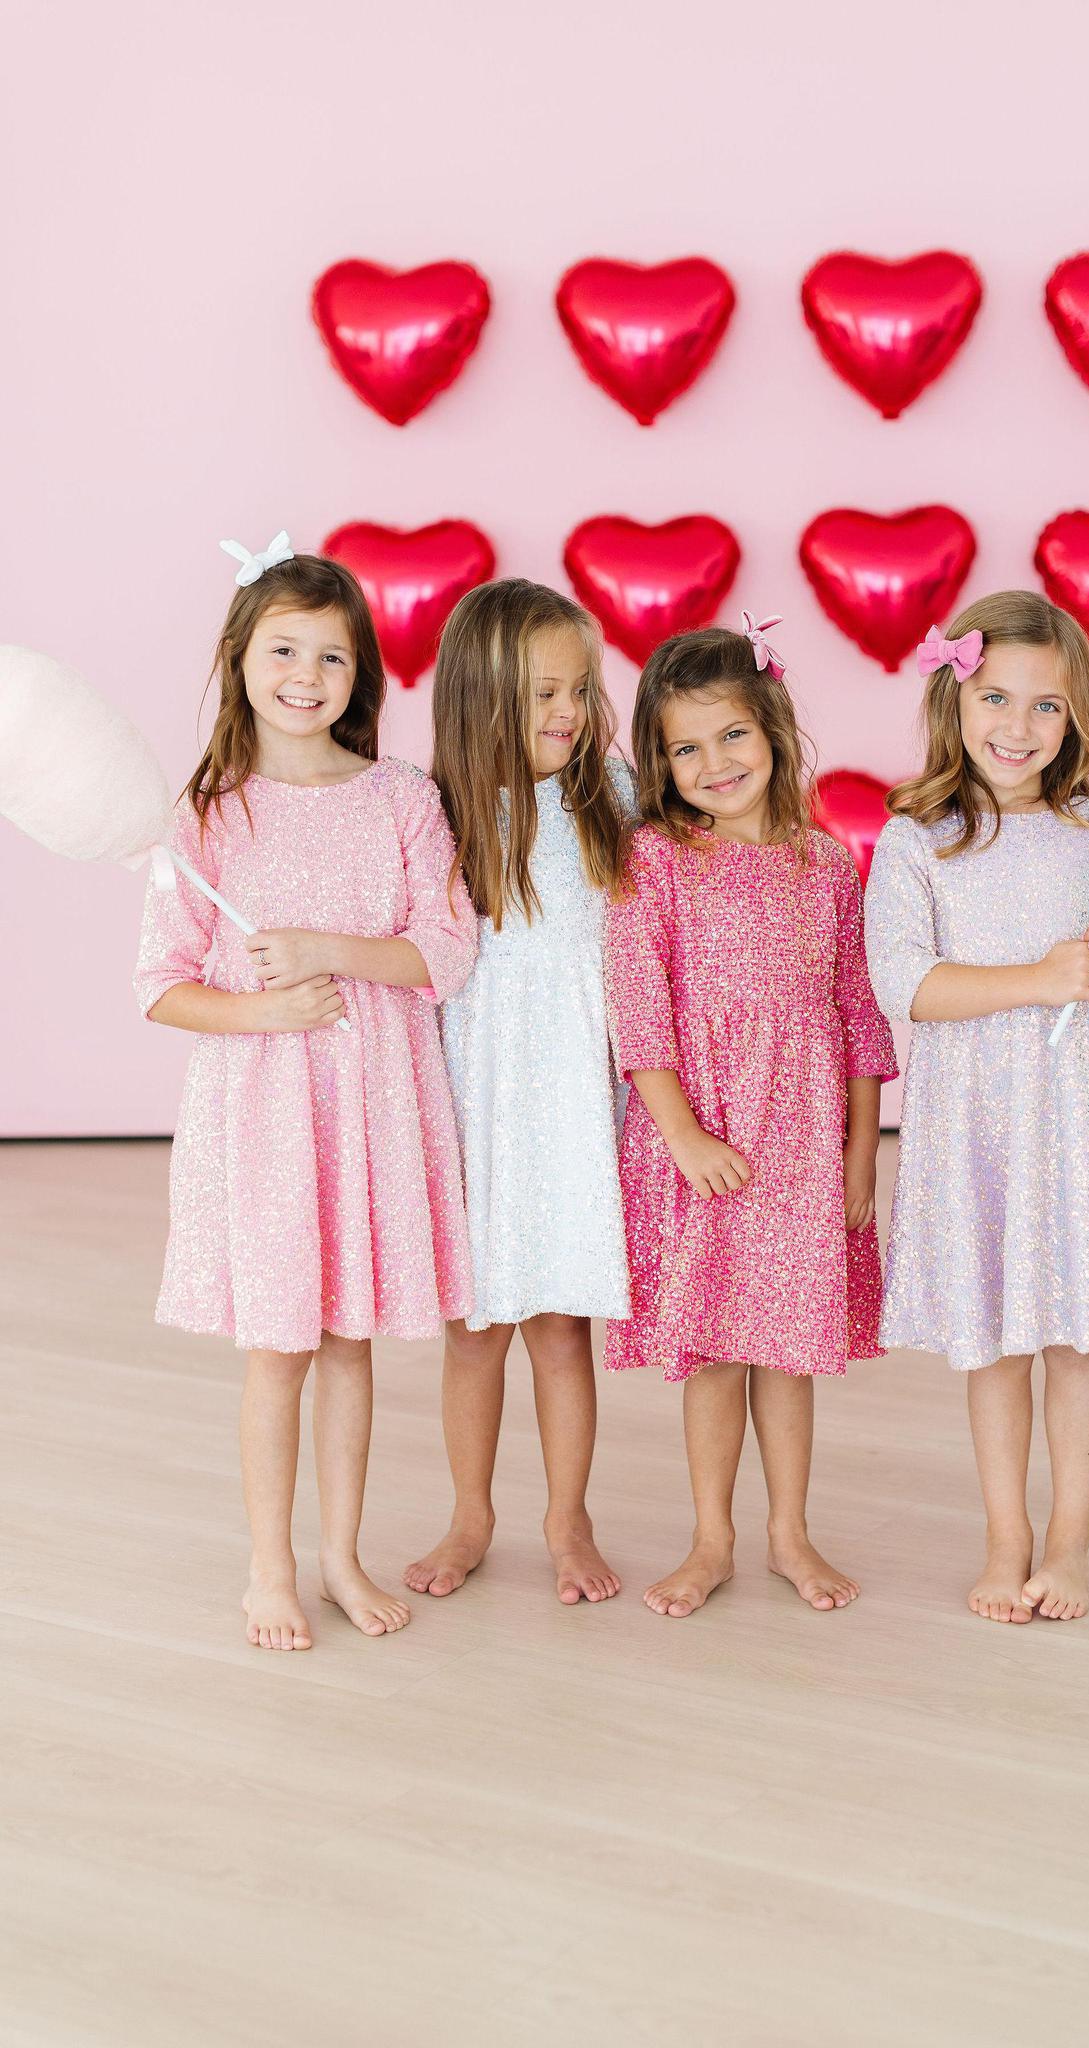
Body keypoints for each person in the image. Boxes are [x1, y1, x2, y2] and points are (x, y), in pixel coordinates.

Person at [135, 536, 476, 1651]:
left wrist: (329, 950)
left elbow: (445, 950)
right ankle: (269, 1568)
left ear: (359, 672)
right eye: (283, 650)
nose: (305, 675)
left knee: (348, 1343)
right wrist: (264, 1012)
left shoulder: (401, 798)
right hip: (270, 1118)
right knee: (279, 1347)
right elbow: (161, 984)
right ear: (240, 658)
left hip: (371, 1108)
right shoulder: (207, 815)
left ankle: (342, 1555)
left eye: (331, 655)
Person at [864, 591, 1089, 1624]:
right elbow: (905, 986)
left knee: (1074, 1340)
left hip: (1078, 1119)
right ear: (953, 698)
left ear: (1075, 718)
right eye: (996, 698)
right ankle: (1006, 1535)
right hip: (977, 1122)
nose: (1017, 726)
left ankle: (1068, 1541)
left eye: (1046, 706)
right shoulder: (919, 837)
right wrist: (1042, 977)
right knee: (996, 1341)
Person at [605, 615, 896, 1618]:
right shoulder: (655, 858)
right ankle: (711, 1538)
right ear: (660, 763)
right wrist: (683, 1136)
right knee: (717, 1346)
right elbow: (638, 1012)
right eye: (685, 748)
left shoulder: (825, 865)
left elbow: (858, 1013)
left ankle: (789, 1533)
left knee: (787, 1345)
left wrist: (861, 1154)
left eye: (731, 734)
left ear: (771, 727)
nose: (714, 762)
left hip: (802, 1139)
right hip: (703, 1138)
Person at [405, 580, 634, 1608]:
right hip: (476, 1104)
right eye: (545, 692)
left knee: (560, 1327)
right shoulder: (436, 812)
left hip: (575, 1103)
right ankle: (471, 1514)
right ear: (481, 695)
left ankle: (567, 1517)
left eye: (581, 688)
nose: (570, 711)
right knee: (475, 1330)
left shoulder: (612, 798)